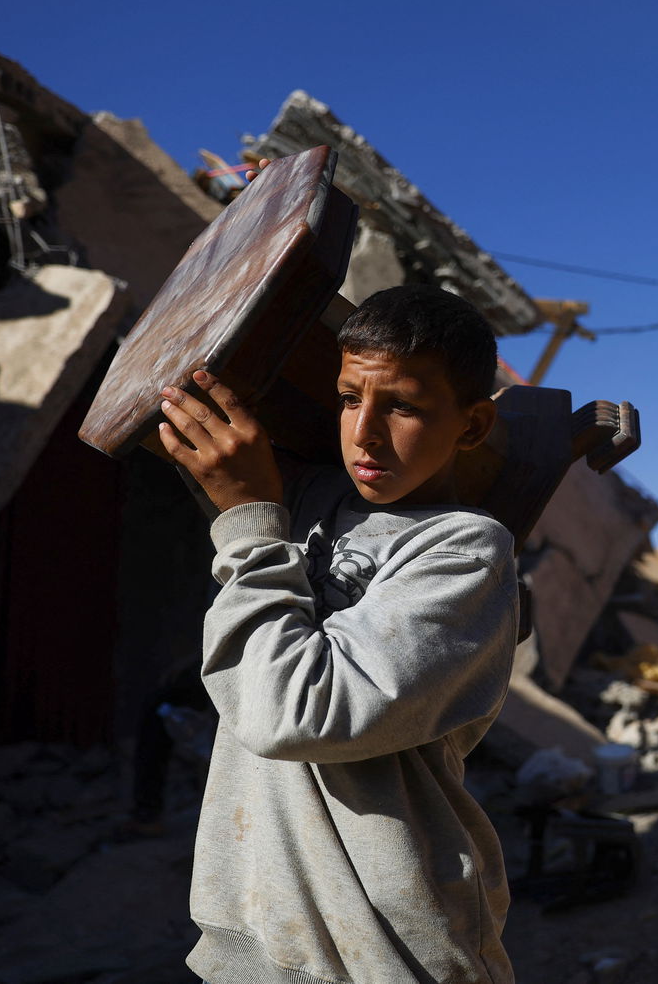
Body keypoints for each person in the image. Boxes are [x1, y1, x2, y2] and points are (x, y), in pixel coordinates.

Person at [156, 284, 519, 983]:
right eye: (352, 399)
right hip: (255, 936)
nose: (365, 432)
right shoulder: (312, 499)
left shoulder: (466, 552)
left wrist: (254, 529)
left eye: (403, 406)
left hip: (388, 946)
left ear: (470, 427)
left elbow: (295, 714)